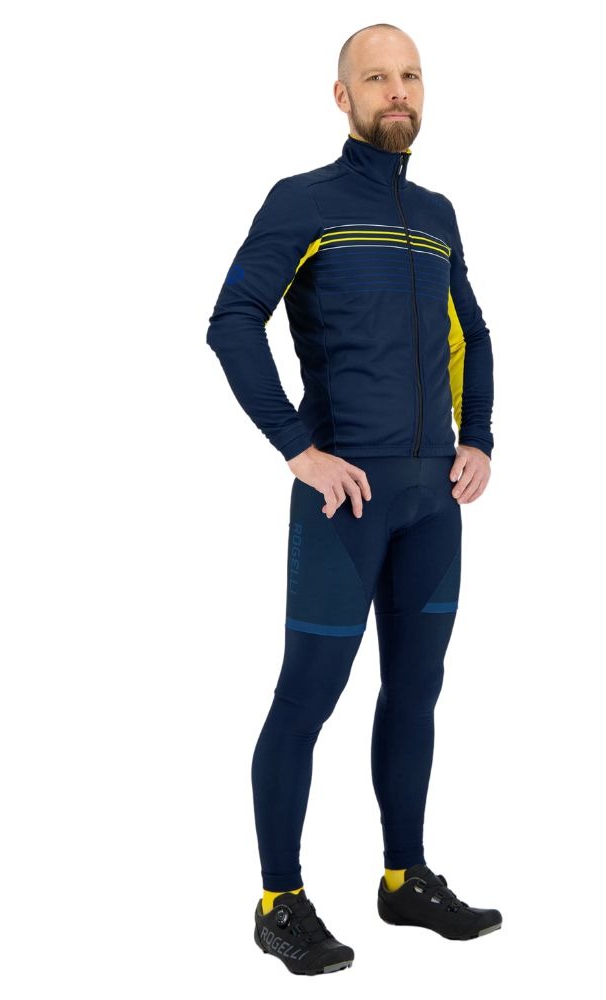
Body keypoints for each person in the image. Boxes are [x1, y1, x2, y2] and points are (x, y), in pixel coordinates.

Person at [206, 23, 501, 975]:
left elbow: (472, 332)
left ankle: (403, 879)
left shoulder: (439, 215)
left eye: (410, 75)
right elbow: (231, 321)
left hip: (432, 503)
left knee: (416, 690)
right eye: (377, 78)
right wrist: (299, 449)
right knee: (309, 694)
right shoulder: (305, 203)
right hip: (347, 503)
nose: (397, 91)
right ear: (344, 97)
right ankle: (278, 901)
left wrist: (477, 436)